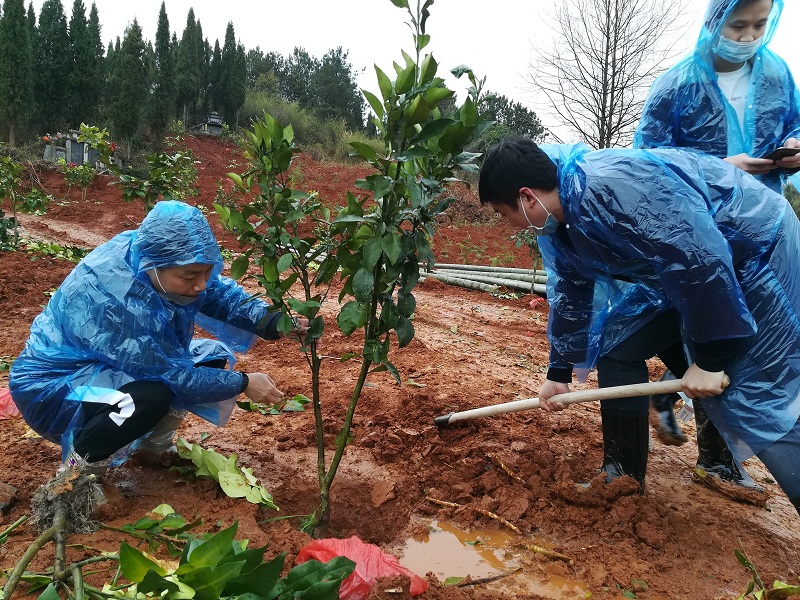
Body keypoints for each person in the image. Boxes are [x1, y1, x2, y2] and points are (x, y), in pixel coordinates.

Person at [478, 137, 800, 514]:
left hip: (756, 257)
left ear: (527, 197)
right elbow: (572, 290)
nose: (510, 224)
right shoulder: (558, 224)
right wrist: (558, 370)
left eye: (505, 213)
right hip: (682, 277)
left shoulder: (613, 187)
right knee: (619, 345)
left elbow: (701, 261)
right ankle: (622, 476)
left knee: (753, 394)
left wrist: (712, 360)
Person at [9, 200, 306, 476]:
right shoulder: (119, 300)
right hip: (54, 388)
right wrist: (244, 382)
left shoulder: (154, 255)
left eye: (207, 271)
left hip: (104, 370)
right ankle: (76, 472)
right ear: (153, 265)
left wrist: (274, 322)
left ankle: (154, 448)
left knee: (210, 357)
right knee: (148, 397)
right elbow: (175, 376)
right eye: (190, 277)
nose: (201, 284)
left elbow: (218, 294)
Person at [634, 0, 800, 488]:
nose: (749, 37)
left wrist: (790, 150)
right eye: (739, 25)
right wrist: (722, 168)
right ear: (715, 21)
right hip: (697, 234)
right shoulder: (677, 85)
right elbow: (649, 164)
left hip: (760, 233)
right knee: (710, 330)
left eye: (760, 25)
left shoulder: (775, 75)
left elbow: (792, 123)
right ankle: (707, 439)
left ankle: (696, 428)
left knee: (753, 337)